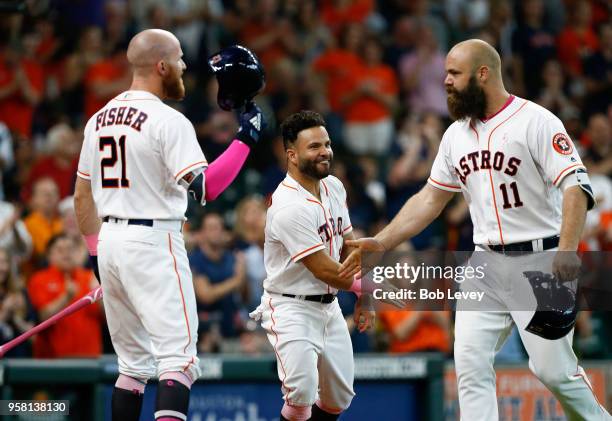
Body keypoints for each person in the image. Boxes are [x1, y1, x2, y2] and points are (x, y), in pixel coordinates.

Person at [342, 39, 611, 420]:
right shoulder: (455, 135)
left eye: (454, 73)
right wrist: (382, 241)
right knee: (468, 364)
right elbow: (429, 200)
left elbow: (575, 187)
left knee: (554, 372)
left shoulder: (536, 120)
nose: (446, 81)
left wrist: (567, 251)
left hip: (539, 258)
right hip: (484, 262)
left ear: (482, 74)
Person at [74, 29, 264, 421]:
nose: (183, 68)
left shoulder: (98, 120)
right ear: (161, 66)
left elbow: (81, 198)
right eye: (178, 60)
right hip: (152, 239)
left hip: (109, 240)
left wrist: (96, 254)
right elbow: (207, 187)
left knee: (132, 368)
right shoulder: (166, 119)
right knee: (178, 361)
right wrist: (245, 137)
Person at [249, 110, 375, 421]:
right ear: (292, 155)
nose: (325, 152)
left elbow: (349, 245)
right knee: (301, 394)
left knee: (338, 398)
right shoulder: (288, 205)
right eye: (314, 147)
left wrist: (364, 293)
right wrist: (367, 290)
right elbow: (324, 269)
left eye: (327, 144)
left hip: (328, 305)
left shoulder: (333, 185)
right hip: (291, 306)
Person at [27, 234, 101, 358]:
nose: (66, 254)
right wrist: (66, 297)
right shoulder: (39, 279)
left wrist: (101, 297)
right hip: (52, 360)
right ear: (49, 255)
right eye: (60, 250)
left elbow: (106, 317)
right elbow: (42, 317)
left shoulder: (90, 277)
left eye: (71, 249)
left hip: (90, 358)